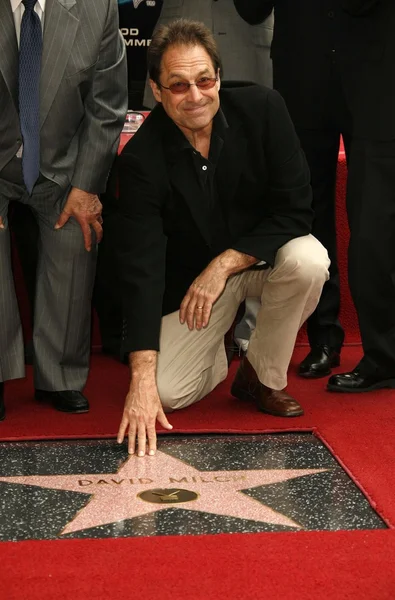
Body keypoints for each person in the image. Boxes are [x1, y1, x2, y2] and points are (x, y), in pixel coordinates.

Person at [114, 19, 330, 456]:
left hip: (260, 262)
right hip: (190, 287)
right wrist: (141, 377)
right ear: (156, 91)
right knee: (168, 394)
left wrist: (225, 264)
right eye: (178, 86)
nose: (195, 97)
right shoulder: (140, 160)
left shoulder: (264, 109)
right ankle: (216, 349)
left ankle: (260, 376)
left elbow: (296, 209)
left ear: (219, 78)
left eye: (204, 80)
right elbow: (142, 266)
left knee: (309, 260)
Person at [236, 0, 395, 393]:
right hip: (301, 68)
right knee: (306, 209)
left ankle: (384, 354)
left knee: (374, 220)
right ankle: (323, 337)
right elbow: (252, 9)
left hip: (377, 76)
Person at [0, 0, 128, 422]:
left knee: (77, 232)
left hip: (61, 164)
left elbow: (107, 105)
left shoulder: (97, 7)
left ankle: (60, 376)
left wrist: (85, 185)